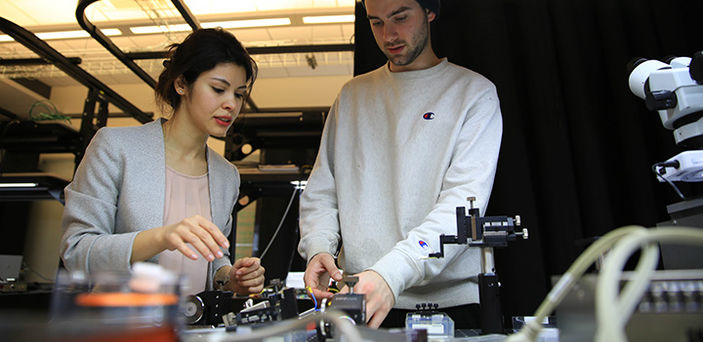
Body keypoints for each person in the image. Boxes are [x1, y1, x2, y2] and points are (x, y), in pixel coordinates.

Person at [298, 0, 503, 328]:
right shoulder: (351, 96)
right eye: (376, 22)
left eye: (400, 17)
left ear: (430, 11)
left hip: (452, 305)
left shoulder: (474, 94)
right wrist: (319, 247)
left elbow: (462, 208)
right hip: (362, 296)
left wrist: (390, 274)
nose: (388, 34)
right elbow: (322, 191)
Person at [60, 28, 265, 296]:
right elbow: (77, 251)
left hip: (190, 330)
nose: (231, 104)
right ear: (181, 84)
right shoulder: (115, 146)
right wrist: (161, 237)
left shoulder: (226, 175)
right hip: (119, 328)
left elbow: (215, 259)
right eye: (218, 88)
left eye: (239, 94)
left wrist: (230, 277)